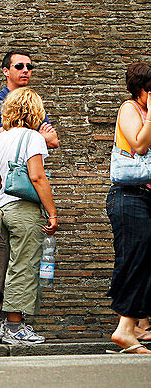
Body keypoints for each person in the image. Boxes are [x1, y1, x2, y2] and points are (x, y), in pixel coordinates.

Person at [0, 51, 59, 339]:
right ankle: (15, 325)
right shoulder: (35, 138)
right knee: (24, 266)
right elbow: (38, 177)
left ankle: (5, 325)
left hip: (3, 208)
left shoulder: (0, 140)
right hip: (26, 209)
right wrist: (52, 212)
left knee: (7, 264)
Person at [106, 62, 151, 354]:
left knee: (146, 258)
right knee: (135, 256)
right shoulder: (129, 109)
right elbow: (139, 145)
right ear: (143, 89)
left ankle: (139, 326)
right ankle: (125, 329)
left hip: (145, 197)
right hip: (129, 196)